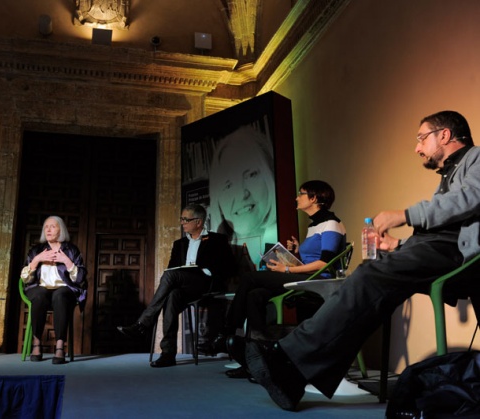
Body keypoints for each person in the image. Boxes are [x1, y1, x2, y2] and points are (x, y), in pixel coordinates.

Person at [244, 110, 480, 411]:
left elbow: (470, 199)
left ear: (444, 135)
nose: (417, 147)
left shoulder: (476, 159)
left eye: (421, 138)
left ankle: (289, 361)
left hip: (458, 255)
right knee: (370, 274)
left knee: (371, 274)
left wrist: (405, 215)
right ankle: (294, 369)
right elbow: (445, 228)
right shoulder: (449, 175)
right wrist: (398, 243)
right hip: (441, 249)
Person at [204, 180, 347, 377]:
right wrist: (296, 253)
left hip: (316, 281)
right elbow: (312, 260)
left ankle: (226, 332)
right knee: (254, 295)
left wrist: (287, 269)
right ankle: (255, 362)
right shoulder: (315, 226)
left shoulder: (331, 223)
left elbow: (325, 264)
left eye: (301, 193)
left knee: (249, 279)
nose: (297, 197)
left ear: (314, 198)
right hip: (305, 276)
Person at [117, 203, 237, 367]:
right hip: (184, 286)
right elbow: (172, 269)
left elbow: (231, 268)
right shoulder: (179, 244)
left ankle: (143, 324)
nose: (182, 222)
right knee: (171, 295)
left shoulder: (217, 240)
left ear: (199, 222)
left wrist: (206, 270)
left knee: (170, 276)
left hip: (206, 283)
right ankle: (168, 354)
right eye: (182, 219)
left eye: (185, 219)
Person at [20, 215, 87, 364]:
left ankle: (59, 347)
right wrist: (37, 260)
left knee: (61, 295)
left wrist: (67, 261)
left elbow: (81, 278)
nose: (48, 229)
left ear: (60, 229)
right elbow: (25, 278)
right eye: (46, 227)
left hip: (64, 289)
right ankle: (36, 344)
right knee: (39, 295)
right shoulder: (37, 250)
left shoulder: (71, 250)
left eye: (53, 226)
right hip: (40, 288)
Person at [209, 125, 278, 267]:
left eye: (251, 175)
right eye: (227, 185)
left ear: (269, 177)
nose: (241, 194)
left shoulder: (278, 239)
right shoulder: (218, 249)